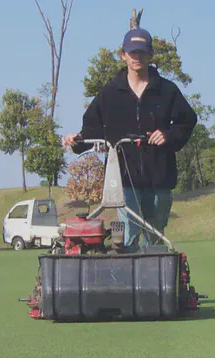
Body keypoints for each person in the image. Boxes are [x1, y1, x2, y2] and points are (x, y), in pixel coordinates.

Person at [62, 26, 198, 249]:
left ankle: (155, 280)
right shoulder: (109, 93)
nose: (138, 57)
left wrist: (168, 135)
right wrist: (76, 140)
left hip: (159, 177)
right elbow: (91, 129)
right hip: (123, 178)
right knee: (129, 235)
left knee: (155, 237)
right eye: (133, 52)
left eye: (143, 52)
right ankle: (131, 278)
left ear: (151, 55)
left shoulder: (167, 90)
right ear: (123, 55)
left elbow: (188, 120)